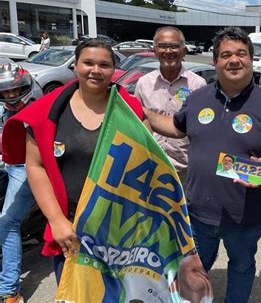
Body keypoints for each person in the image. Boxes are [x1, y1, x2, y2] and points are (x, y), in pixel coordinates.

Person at [145, 26, 261, 302]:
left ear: (251, 60)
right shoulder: (198, 97)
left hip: (245, 214)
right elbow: (176, 127)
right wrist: (139, 112)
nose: (234, 59)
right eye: (226, 54)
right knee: (194, 270)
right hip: (197, 212)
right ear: (215, 61)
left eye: (241, 53)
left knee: (241, 267)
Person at [1, 39, 145, 283]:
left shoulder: (130, 109)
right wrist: (57, 220)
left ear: (113, 69)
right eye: (88, 63)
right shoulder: (47, 111)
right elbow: (35, 166)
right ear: (75, 66)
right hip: (69, 229)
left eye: (104, 64)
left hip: (117, 228)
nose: (96, 70)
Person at [134, 26, 206, 187]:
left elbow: (201, 129)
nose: (168, 51)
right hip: (150, 166)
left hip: (186, 169)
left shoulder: (197, 84)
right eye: (162, 46)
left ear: (184, 50)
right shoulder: (144, 83)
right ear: (154, 50)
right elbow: (137, 123)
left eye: (174, 46)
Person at [0, 64, 39, 303]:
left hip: (24, 167)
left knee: (7, 222)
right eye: (6, 91)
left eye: (15, 90)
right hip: (3, 165)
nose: (11, 96)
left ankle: (9, 290)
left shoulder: (36, 110)